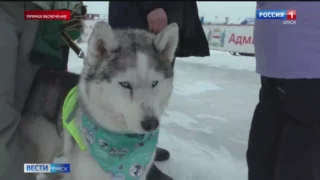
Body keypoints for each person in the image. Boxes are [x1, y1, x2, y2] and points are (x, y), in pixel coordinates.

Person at [108, 2, 209, 179]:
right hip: (141, 14)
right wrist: (152, 5)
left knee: (155, 92)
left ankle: (145, 148)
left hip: (160, 18)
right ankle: (132, 160)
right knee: (128, 96)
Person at [0, 2, 83, 180]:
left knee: (21, 111)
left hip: (39, 14)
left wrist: (71, 8)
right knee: (3, 114)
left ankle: (25, 172)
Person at [246, 2, 320, 180]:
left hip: (296, 62)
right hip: (289, 63)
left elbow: (288, 14)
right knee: (269, 156)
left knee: (289, 156)